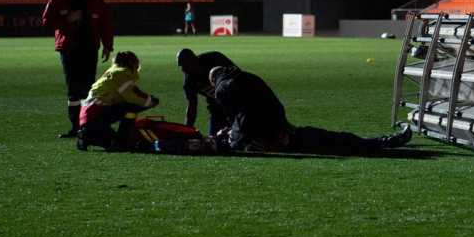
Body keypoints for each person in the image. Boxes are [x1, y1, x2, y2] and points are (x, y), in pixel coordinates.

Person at [208, 65, 411, 155]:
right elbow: (265, 108)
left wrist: (234, 139)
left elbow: (243, 119)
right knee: (337, 140)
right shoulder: (247, 78)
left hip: (282, 138)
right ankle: (384, 142)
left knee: (336, 141)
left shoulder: (224, 89)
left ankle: (383, 142)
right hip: (286, 134)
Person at [42, 0, 113, 138]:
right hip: (70, 48)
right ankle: (76, 127)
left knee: (88, 87)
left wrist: (108, 45)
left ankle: (87, 125)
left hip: (89, 47)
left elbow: (105, 22)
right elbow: (46, 21)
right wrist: (67, 19)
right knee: (74, 89)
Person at [76, 51, 160, 151]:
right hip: (95, 116)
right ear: (130, 63)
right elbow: (131, 97)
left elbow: (133, 93)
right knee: (130, 108)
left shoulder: (115, 72)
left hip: (90, 115)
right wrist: (150, 102)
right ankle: (94, 136)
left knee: (113, 141)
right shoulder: (122, 74)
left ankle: (88, 135)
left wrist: (148, 99)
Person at [177, 48, 235, 133]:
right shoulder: (189, 82)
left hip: (236, 104)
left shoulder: (214, 58)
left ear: (193, 60)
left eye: (185, 65)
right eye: (181, 66)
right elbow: (192, 105)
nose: (183, 69)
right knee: (213, 139)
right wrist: (187, 130)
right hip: (217, 109)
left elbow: (237, 75)